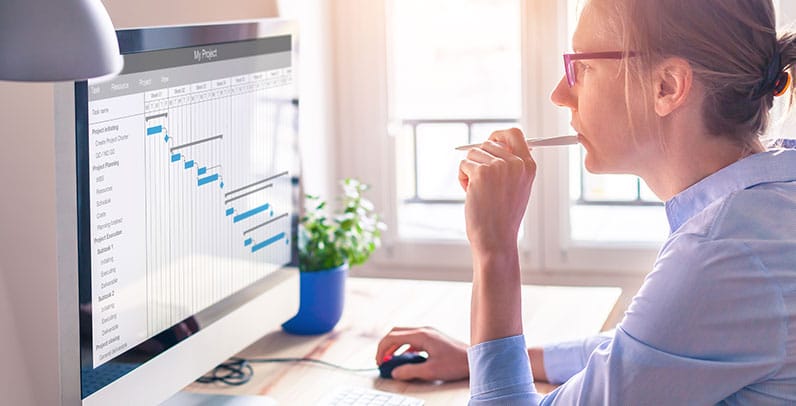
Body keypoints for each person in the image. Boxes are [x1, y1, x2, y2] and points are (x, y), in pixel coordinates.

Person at [376, 0, 796, 403]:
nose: (560, 93)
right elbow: (643, 349)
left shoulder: (723, 254)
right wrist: (479, 358)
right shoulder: (766, 207)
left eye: (583, 66)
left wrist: (495, 248)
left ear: (667, 86)